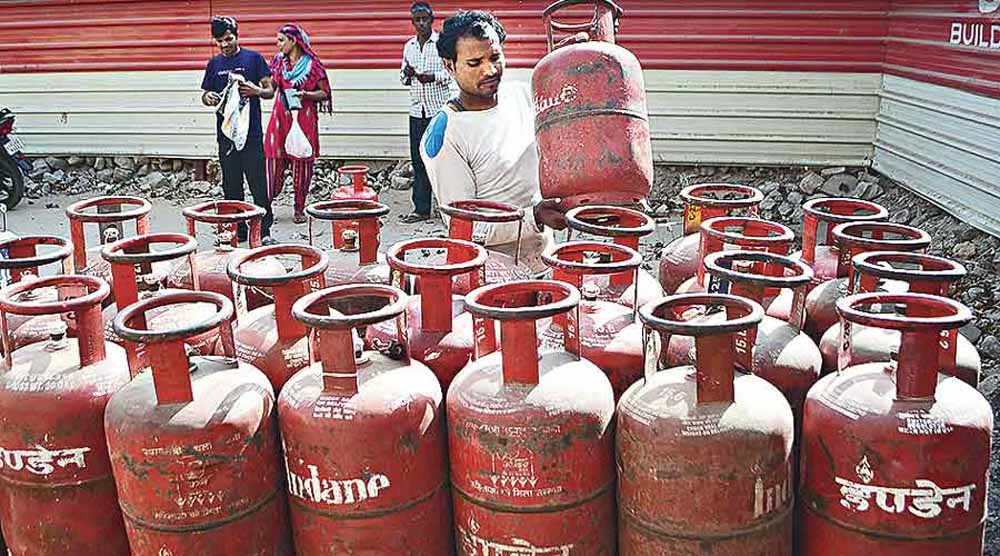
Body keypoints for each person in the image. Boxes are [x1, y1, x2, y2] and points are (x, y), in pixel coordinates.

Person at [420, 10, 565, 274]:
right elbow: (464, 226)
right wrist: (535, 217)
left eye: (495, 57)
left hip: (546, 261)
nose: (489, 70)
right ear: (449, 65)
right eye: (474, 63)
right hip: (489, 277)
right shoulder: (446, 132)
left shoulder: (523, 96)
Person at [200, 16, 277, 244]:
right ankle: (238, 231)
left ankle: (264, 232)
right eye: (219, 41)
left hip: (251, 134)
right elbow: (205, 95)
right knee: (231, 186)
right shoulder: (214, 65)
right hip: (226, 137)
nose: (224, 45)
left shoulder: (253, 59)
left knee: (258, 185)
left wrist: (256, 90)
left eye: (228, 39)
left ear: (237, 36)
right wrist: (208, 98)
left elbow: (270, 89)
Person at [264, 23, 332, 224]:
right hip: (280, 119)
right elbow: (271, 87)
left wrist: (307, 95)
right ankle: (267, 207)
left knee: (302, 163)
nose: (278, 45)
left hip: (304, 119)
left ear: (294, 41)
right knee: (272, 160)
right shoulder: (277, 62)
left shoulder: (313, 65)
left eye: (281, 41)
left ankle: (299, 208)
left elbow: (325, 92)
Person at [399, 1, 451, 224]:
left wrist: (433, 77)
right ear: (412, 23)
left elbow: (451, 73)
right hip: (416, 111)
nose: (421, 23)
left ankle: (446, 208)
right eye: (417, 20)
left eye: (425, 19)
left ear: (432, 20)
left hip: (437, 111)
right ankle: (421, 209)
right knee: (418, 160)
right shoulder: (409, 46)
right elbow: (402, 78)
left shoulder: (441, 43)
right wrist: (408, 73)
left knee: (441, 160)